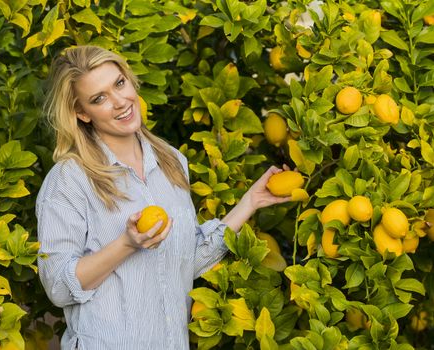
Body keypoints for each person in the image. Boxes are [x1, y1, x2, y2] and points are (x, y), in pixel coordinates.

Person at [36, 45, 291, 350]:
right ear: (81, 113)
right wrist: (126, 244)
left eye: (119, 83)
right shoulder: (70, 180)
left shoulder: (171, 161)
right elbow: (58, 287)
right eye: (99, 99)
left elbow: (182, 262)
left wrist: (250, 202)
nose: (120, 102)